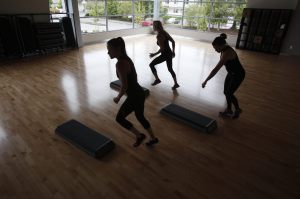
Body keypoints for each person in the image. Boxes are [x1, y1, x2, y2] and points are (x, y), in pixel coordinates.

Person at [107, 37, 159, 147]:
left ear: (117, 49)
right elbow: (134, 77)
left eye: (109, 49)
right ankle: (153, 138)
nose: (108, 52)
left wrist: (118, 97)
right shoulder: (127, 59)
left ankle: (140, 136)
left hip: (134, 96)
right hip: (139, 93)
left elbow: (125, 85)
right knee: (140, 116)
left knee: (119, 118)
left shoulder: (120, 64)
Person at [202, 33, 245, 119]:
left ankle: (237, 109)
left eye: (215, 48)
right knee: (226, 92)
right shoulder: (223, 48)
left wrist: (206, 80)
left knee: (229, 93)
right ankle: (229, 110)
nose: (215, 50)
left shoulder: (227, 53)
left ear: (220, 45)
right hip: (231, 73)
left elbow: (216, 69)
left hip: (238, 74)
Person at [149, 20, 180, 90]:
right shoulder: (164, 32)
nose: (152, 27)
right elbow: (173, 41)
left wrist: (154, 54)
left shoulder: (159, 35)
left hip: (165, 54)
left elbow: (162, 48)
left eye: (153, 25)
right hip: (169, 53)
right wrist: (173, 51)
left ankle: (157, 79)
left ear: (156, 26)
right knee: (170, 69)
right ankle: (176, 83)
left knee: (151, 65)